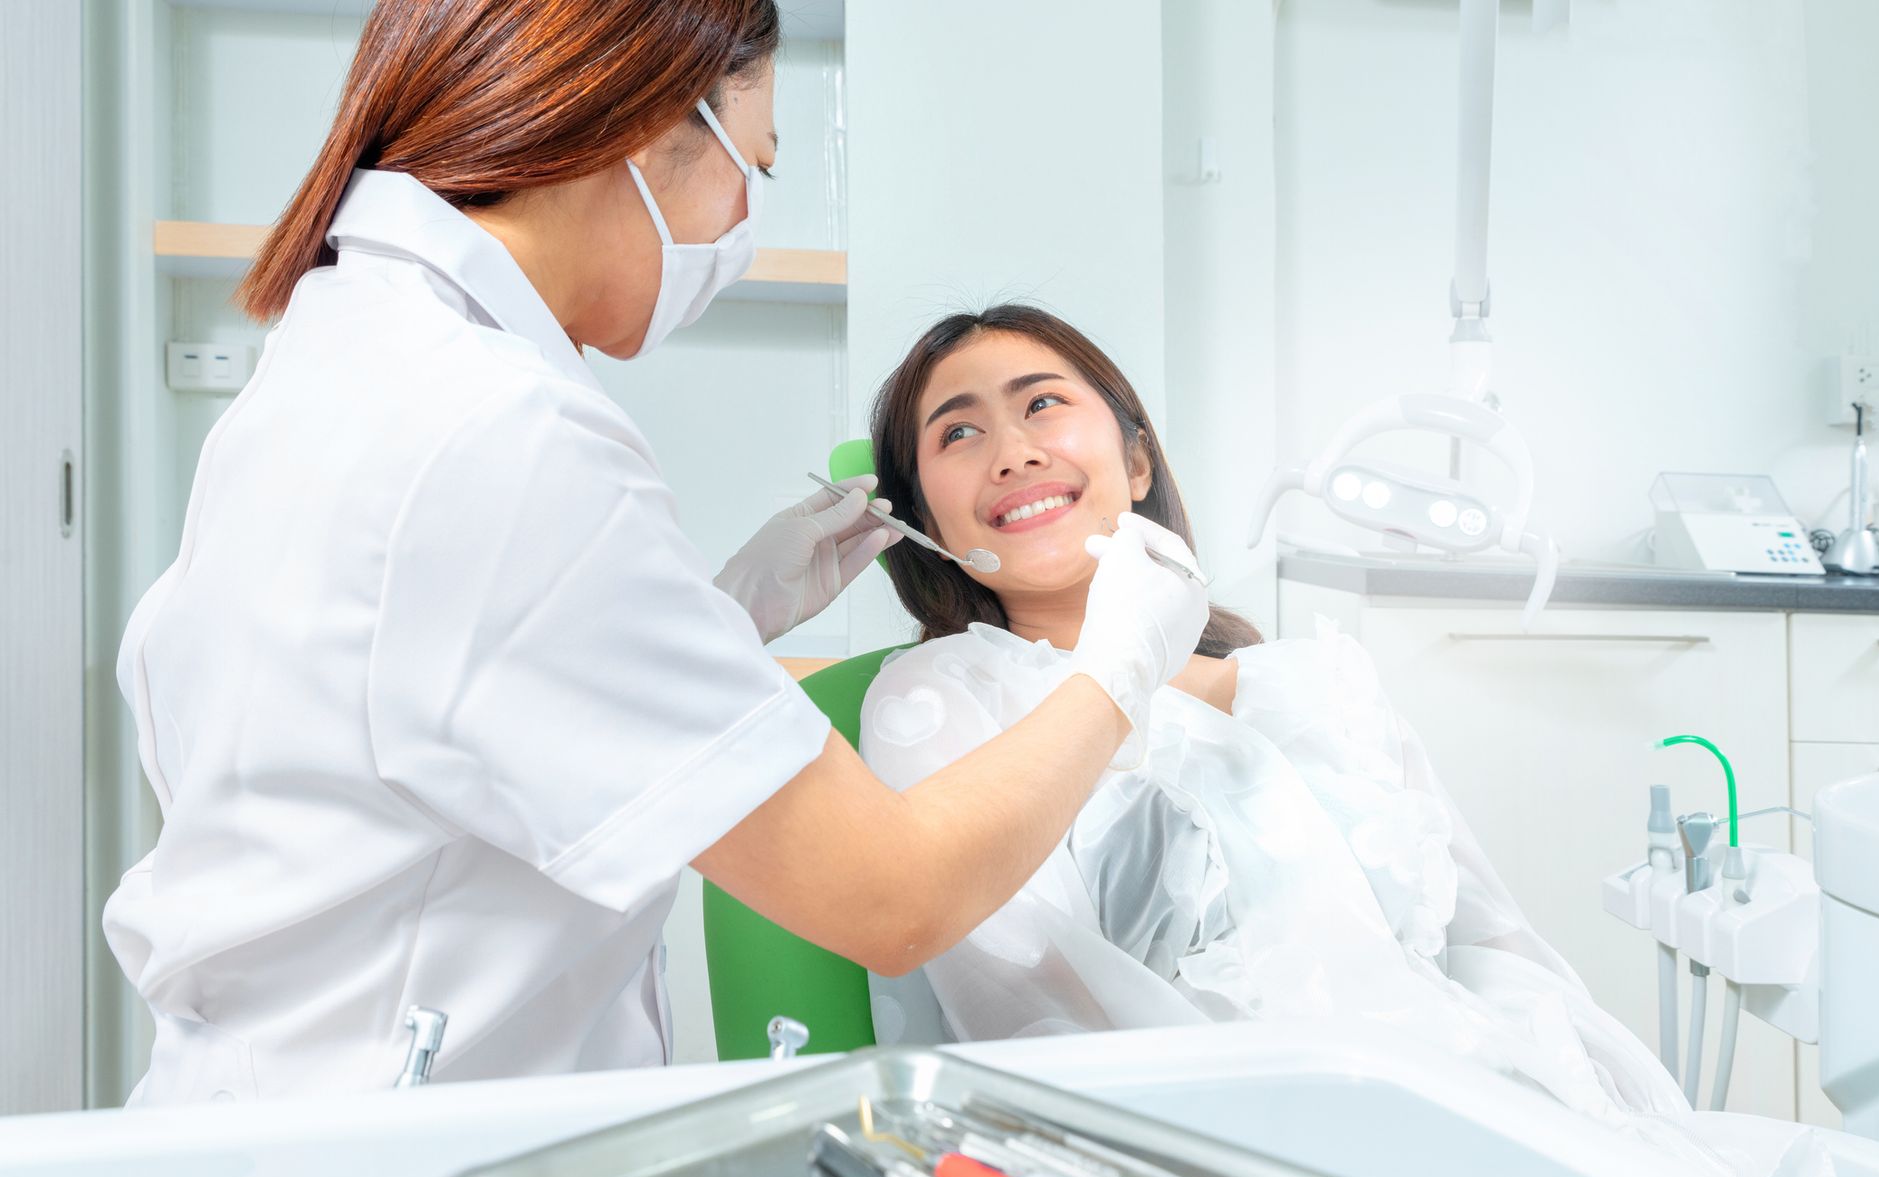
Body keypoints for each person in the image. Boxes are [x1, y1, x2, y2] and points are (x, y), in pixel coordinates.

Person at [102, 2, 1208, 1104]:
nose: (741, 221)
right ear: (639, 121)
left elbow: (457, 690)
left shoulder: (366, 354)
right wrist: (1118, 665)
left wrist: (721, 615)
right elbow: (895, 892)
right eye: (754, 168)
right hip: (364, 1160)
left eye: (1045, 407)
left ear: (1140, 454)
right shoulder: (500, 435)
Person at [855, 304, 1838, 1177]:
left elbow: (1496, 950)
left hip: (1481, 1118)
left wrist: (1623, 1127)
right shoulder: (943, 698)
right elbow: (1027, 1012)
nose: (1014, 450)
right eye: (958, 432)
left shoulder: (1320, 687)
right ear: (923, 520)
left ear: (1139, 460)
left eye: (1042, 405)